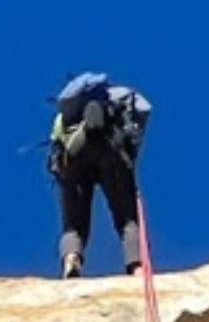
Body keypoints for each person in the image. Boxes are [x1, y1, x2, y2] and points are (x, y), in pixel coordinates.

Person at [46, 73, 152, 278]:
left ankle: (71, 258)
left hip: (73, 155)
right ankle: (136, 267)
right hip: (109, 150)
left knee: (73, 223)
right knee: (127, 218)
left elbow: (57, 144)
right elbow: (142, 116)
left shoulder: (67, 117)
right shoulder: (120, 99)